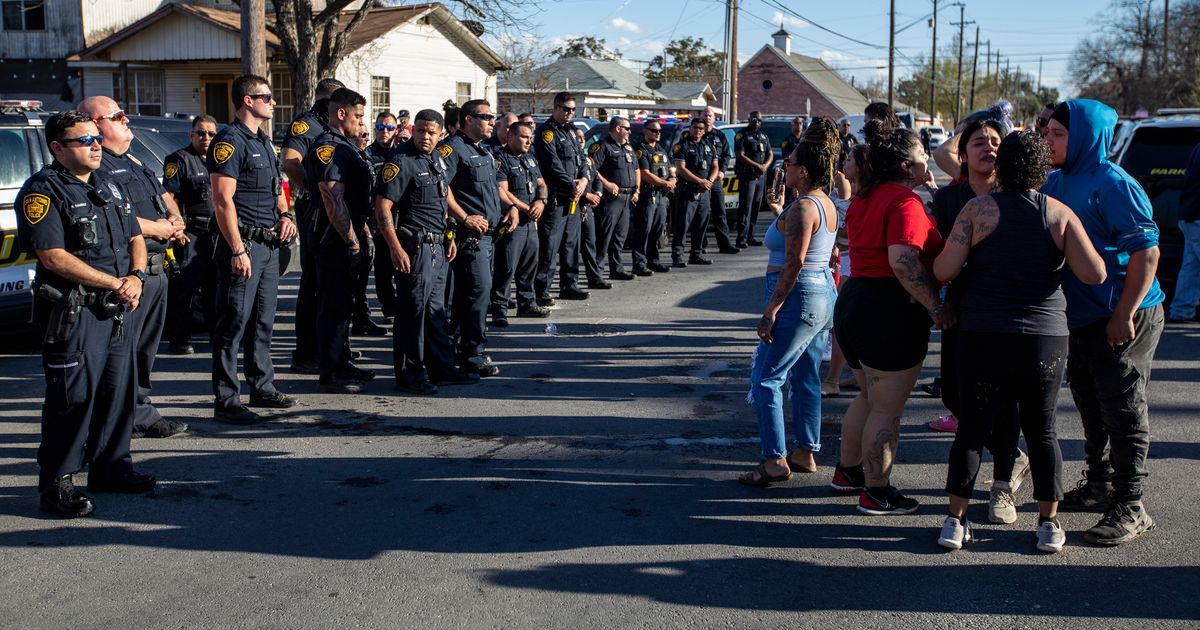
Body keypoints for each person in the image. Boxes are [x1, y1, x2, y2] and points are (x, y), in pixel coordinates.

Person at [933, 130, 1106, 552]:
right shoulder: (1059, 214)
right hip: (1043, 339)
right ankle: (1048, 525)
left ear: (1003, 167)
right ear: (1042, 169)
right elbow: (1094, 274)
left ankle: (955, 522)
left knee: (973, 429)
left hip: (983, 333)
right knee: (1042, 432)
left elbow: (943, 269)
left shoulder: (977, 211)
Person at [18, 110, 156, 517]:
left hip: (119, 308)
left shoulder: (109, 184)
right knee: (72, 399)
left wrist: (135, 276)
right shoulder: (43, 191)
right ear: (58, 148)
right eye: (84, 140)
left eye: (97, 138)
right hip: (76, 312)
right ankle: (57, 484)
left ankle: (112, 467)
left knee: (119, 392)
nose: (96, 145)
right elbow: (53, 256)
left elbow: (135, 235)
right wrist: (114, 283)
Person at [1042, 99, 1166, 546]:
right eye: (1048, 132)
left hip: (1124, 315)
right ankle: (1097, 487)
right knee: (1091, 405)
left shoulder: (1115, 184)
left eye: (1059, 134)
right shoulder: (1056, 180)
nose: (1049, 140)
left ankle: (1131, 507)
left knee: (1124, 409)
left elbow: (1146, 253)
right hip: (1080, 318)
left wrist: (1124, 313)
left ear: (1087, 136)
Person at [831, 127, 950, 515]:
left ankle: (849, 473)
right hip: (888, 309)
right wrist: (935, 306)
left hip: (855, 302)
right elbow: (902, 261)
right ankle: (877, 491)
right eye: (921, 154)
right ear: (905, 165)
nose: (926, 159)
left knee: (869, 396)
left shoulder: (869, 196)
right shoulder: (903, 201)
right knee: (886, 408)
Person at [738, 117, 841, 486]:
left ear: (805, 170)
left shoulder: (803, 209)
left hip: (798, 294)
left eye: (792, 163)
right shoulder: (820, 202)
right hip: (820, 293)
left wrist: (770, 310)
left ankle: (774, 461)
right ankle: (805, 450)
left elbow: (795, 261)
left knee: (766, 377)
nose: (786, 166)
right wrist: (780, 207)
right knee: (806, 375)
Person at [81, 95, 188, 441]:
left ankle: (139, 411)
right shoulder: (98, 168)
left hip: (157, 268)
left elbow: (163, 194)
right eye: (118, 116)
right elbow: (118, 219)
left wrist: (175, 217)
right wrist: (161, 229)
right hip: (129, 273)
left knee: (144, 351)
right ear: (96, 125)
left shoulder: (133, 160)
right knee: (120, 354)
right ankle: (114, 426)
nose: (127, 121)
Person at [208, 74, 299, 424]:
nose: (273, 102)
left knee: (263, 320)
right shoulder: (229, 141)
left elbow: (278, 187)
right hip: (243, 244)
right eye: (266, 97)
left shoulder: (263, 141)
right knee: (232, 324)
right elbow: (222, 200)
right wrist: (236, 250)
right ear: (247, 100)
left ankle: (261, 385)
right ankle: (227, 400)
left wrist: (285, 214)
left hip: (269, 244)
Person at [374, 109, 477, 394]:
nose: (425, 136)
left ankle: (441, 368)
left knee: (435, 312)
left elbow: (442, 199)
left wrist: (451, 235)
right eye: (420, 130)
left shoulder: (437, 159)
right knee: (412, 314)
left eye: (431, 132)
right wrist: (394, 248)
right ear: (412, 130)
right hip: (414, 247)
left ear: (441, 134)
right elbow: (383, 208)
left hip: (438, 246)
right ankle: (410, 374)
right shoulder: (401, 162)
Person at [306, 88, 376, 394]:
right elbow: (332, 199)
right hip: (333, 238)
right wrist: (352, 242)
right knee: (333, 305)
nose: (361, 123)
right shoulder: (328, 147)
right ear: (341, 114)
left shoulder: (348, 147)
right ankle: (330, 371)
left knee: (345, 304)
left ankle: (343, 361)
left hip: (352, 233)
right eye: (358, 116)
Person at [440, 99, 515, 378]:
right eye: (486, 117)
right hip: (469, 236)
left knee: (471, 296)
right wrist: (464, 217)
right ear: (468, 119)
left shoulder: (484, 151)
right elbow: (441, 187)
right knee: (477, 294)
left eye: (493, 117)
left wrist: (510, 209)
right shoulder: (451, 149)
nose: (492, 122)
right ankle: (472, 354)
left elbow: (493, 188)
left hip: (490, 235)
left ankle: (459, 347)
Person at [280, 77, 345, 374]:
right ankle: (306, 352)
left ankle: (330, 347)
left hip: (333, 208)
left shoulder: (333, 126)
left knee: (331, 283)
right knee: (313, 283)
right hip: (315, 210)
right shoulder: (307, 124)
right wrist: (315, 189)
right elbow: (290, 163)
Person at [162, 115, 218, 360]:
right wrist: (177, 227)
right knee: (184, 289)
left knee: (216, 289)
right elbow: (170, 195)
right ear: (191, 135)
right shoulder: (179, 160)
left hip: (217, 234)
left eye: (211, 133)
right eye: (201, 133)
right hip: (191, 234)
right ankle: (180, 339)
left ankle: (217, 336)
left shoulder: (220, 159)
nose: (206, 138)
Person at [491, 121, 551, 326]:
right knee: (506, 267)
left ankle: (527, 303)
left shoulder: (530, 158)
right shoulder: (501, 159)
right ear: (510, 136)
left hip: (530, 223)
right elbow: (503, 191)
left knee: (528, 266)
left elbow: (542, 184)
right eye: (524, 137)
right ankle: (499, 308)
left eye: (530, 137)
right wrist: (526, 208)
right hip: (512, 222)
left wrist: (540, 201)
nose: (529, 141)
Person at [534, 91, 590, 304]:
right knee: (549, 246)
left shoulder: (571, 132)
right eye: (566, 109)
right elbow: (552, 164)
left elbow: (582, 159)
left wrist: (584, 180)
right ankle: (542, 290)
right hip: (557, 198)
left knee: (570, 244)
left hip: (573, 199)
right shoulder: (547, 133)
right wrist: (571, 184)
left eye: (573, 110)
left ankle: (569, 285)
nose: (569, 113)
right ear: (556, 108)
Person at [589, 117, 640, 282]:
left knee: (620, 237)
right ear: (617, 128)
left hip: (626, 198)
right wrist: (607, 184)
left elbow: (636, 169)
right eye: (627, 128)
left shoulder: (627, 148)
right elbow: (591, 169)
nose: (630, 132)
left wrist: (636, 189)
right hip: (611, 199)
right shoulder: (602, 147)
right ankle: (596, 274)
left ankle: (616, 269)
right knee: (604, 236)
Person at [629, 118, 675, 275]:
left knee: (657, 229)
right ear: (645, 131)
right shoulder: (641, 149)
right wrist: (664, 183)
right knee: (644, 229)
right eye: (654, 130)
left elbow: (670, 168)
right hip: (648, 195)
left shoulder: (660, 149)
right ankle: (639, 263)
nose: (657, 133)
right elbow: (644, 174)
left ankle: (653, 261)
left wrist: (672, 180)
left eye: (659, 131)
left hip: (661, 195)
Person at [671, 117, 718, 268]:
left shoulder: (709, 145)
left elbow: (715, 166)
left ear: (704, 131)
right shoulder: (682, 145)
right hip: (688, 190)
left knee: (701, 224)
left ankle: (696, 254)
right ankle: (677, 256)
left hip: (704, 191)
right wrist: (700, 181)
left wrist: (709, 181)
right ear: (690, 128)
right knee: (683, 224)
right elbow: (680, 168)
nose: (697, 130)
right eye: (695, 127)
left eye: (700, 128)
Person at [368, 111, 400, 324]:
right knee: (382, 268)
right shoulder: (368, 154)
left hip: (401, 219)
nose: (384, 132)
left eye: (389, 128)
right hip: (377, 218)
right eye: (380, 127)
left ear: (396, 130)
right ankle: (388, 306)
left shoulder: (402, 154)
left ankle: (402, 304)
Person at [1167, 141, 1200, 323]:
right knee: (1191, 266)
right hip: (1196, 216)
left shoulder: (1197, 148)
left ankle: (1182, 309)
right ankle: (1182, 309)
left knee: (1192, 266)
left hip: (1190, 215)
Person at [733, 111, 774, 249]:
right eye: (755, 119)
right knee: (746, 207)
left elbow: (770, 153)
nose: (757, 122)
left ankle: (751, 236)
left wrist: (765, 166)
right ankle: (741, 238)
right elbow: (740, 154)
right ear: (749, 119)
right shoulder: (742, 134)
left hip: (760, 176)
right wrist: (757, 166)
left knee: (756, 206)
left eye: (760, 120)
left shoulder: (763, 136)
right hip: (747, 176)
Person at [701, 106, 738, 255]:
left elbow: (727, 155)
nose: (707, 118)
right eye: (705, 115)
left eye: (710, 116)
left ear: (714, 118)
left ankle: (724, 244)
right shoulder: (696, 134)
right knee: (702, 214)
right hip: (700, 181)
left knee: (720, 213)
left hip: (715, 181)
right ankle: (700, 245)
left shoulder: (719, 136)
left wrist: (722, 171)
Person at [576, 129, 608, 289]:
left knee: (590, 244)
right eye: (578, 137)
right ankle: (569, 282)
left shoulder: (588, 160)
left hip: (587, 209)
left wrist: (598, 193)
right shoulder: (570, 159)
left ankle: (594, 278)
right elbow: (569, 182)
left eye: (583, 138)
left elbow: (597, 178)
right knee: (571, 247)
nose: (582, 140)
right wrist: (587, 195)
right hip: (573, 206)